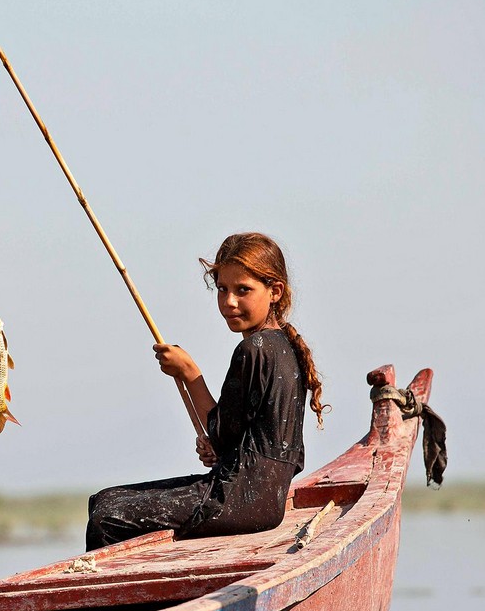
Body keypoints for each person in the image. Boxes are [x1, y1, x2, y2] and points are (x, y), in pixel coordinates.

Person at [85, 232, 327, 551]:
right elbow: (258, 444)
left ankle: (125, 601)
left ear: (274, 291)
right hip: (264, 500)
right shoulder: (282, 347)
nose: (229, 301)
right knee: (104, 499)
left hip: (237, 499)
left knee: (107, 515)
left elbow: (221, 433)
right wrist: (225, 453)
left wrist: (190, 374)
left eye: (243, 290)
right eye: (223, 289)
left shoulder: (253, 350)